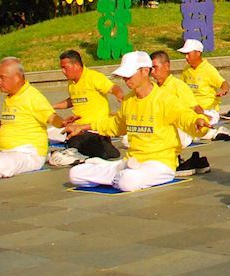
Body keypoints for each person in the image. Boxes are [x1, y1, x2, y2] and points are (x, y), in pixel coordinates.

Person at [64, 51, 211, 191]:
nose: (126, 80)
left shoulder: (165, 99)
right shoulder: (129, 100)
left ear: (145, 71)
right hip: (132, 162)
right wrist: (83, 127)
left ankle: (113, 173)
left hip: (159, 164)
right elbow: (115, 125)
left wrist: (199, 121)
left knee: (128, 181)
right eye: (124, 76)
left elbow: (185, 116)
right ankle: (114, 173)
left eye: (129, 75)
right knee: (75, 174)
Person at [47, 50, 123, 161]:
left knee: (79, 142)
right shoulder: (71, 83)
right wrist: (52, 106)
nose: (63, 71)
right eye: (61, 68)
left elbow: (114, 88)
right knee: (51, 133)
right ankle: (74, 151)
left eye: (65, 68)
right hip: (77, 128)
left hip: (94, 129)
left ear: (76, 65)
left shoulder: (93, 77)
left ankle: (100, 149)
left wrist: (119, 96)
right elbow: (73, 100)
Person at [179, 39, 229, 132]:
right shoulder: (186, 70)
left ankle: (213, 130)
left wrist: (223, 90)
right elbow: (180, 87)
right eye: (185, 54)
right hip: (191, 109)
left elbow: (224, 83)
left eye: (188, 54)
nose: (186, 57)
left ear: (198, 53)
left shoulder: (208, 69)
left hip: (207, 110)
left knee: (196, 126)